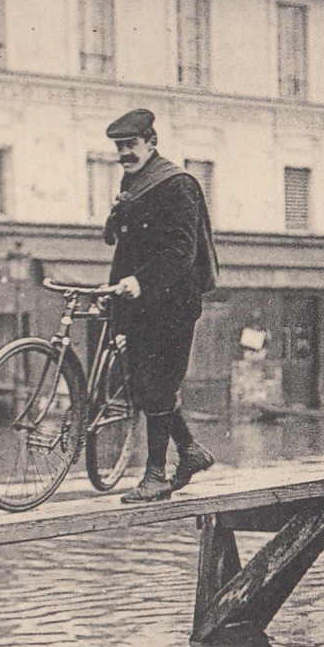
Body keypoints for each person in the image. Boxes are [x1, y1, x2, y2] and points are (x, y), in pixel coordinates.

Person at [100, 108, 219, 502]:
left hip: (173, 302)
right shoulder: (134, 181)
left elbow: (183, 250)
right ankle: (190, 451)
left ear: (151, 143)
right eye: (119, 147)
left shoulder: (177, 183)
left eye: (131, 145)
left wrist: (142, 281)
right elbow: (124, 245)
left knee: (161, 383)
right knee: (141, 384)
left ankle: (155, 476)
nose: (124, 154)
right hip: (139, 301)